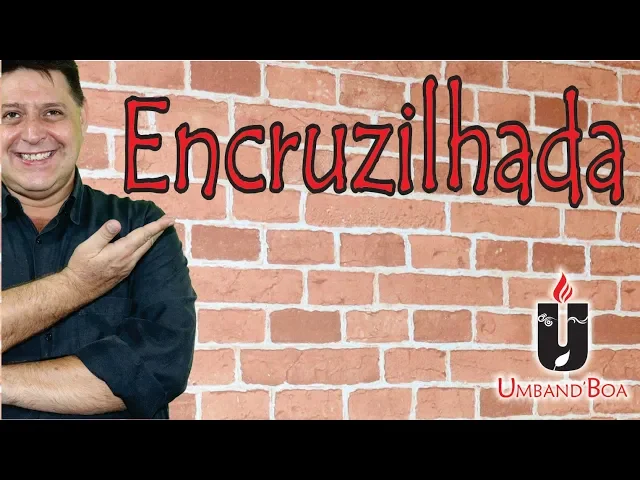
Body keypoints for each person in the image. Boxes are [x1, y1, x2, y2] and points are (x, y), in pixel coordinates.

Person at [0, 60, 197, 419]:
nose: (32, 133)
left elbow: (157, 371)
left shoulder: (139, 228)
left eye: (52, 112)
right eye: (11, 115)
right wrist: (75, 285)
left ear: (82, 116)